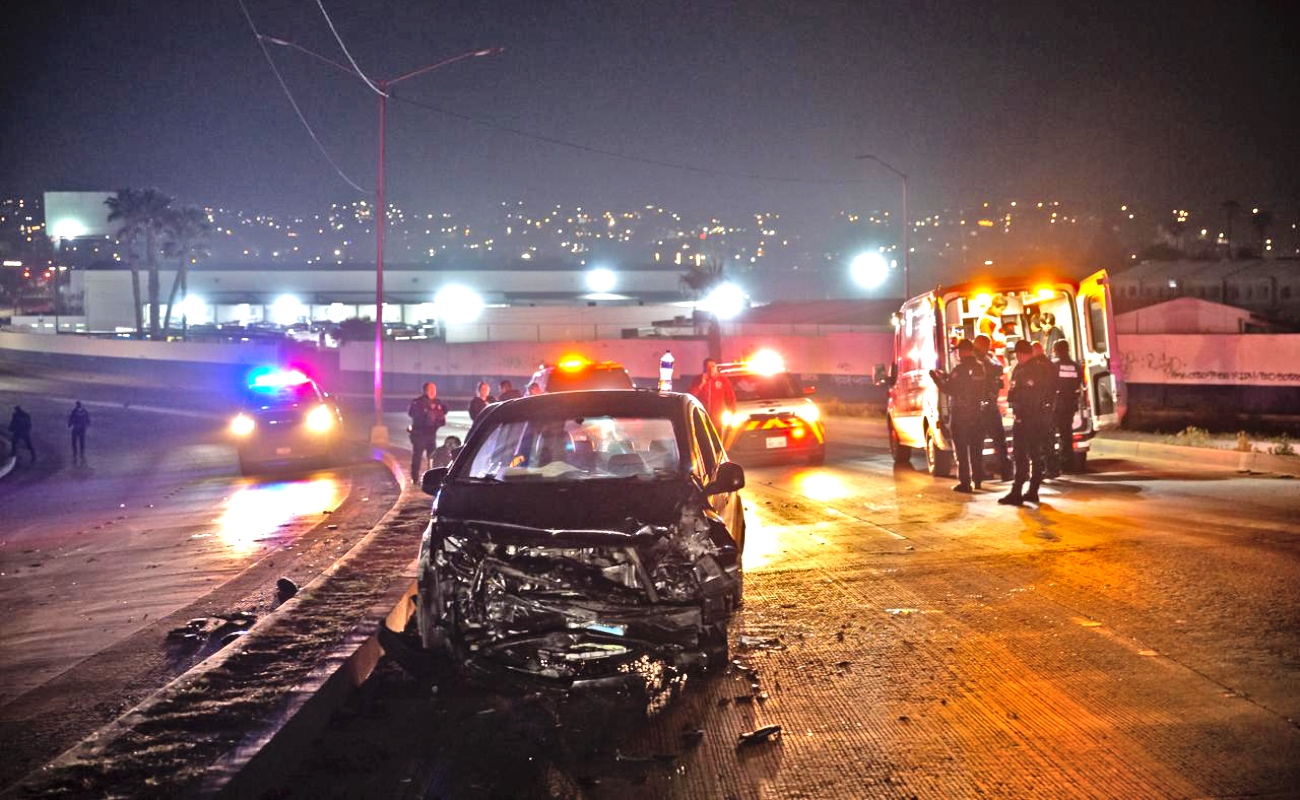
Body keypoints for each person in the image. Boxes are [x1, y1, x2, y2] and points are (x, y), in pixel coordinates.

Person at [999, 340, 1056, 506]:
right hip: (1038, 419)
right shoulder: (1042, 367)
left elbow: (1026, 397)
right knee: (1035, 456)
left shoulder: (1027, 370)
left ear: (1020, 354)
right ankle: (1032, 490)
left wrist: (1021, 415)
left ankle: (1018, 492)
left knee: (1022, 456)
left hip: (1027, 419)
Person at [930, 339, 988, 492]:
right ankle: (978, 480)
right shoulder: (980, 367)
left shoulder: (960, 369)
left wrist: (936, 379)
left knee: (962, 450)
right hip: (977, 413)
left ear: (963, 351)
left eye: (959, 351)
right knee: (976, 449)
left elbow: (949, 389)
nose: (958, 354)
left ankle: (965, 483)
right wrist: (948, 376)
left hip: (961, 414)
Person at [972, 334, 1013, 480]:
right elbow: (995, 368)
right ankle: (982, 473)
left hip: (987, 404)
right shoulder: (976, 359)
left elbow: (998, 369)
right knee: (981, 442)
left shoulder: (988, 357)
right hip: (981, 406)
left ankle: (1001, 471)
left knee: (988, 441)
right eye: (986, 345)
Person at [1050, 340, 1085, 475]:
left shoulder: (1054, 365)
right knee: (1066, 435)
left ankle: (1052, 464)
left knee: (1051, 435)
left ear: (1056, 350)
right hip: (1070, 405)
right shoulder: (1075, 366)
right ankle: (1067, 464)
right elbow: (1078, 383)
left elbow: (1049, 384)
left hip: (1056, 405)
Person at [408, 382, 448, 481]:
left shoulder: (438, 402)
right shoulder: (418, 402)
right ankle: (415, 477)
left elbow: (444, 412)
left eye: (434, 389)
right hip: (419, 434)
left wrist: (437, 414)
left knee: (432, 457)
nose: (433, 392)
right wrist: (427, 413)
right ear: (425, 390)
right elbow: (412, 413)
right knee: (417, 456)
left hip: (431, 434)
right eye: (431, 389)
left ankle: (431, 478)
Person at [689, 357, 736, 431]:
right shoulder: (698, 380)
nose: (711, 369)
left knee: (718, 440)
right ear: (704, 369)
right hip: (702, 417)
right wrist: (701, 383)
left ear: (716, 367)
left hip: (718, 419)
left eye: (713, 366)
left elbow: (730, 398)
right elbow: (691, 396)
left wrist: (732, 414)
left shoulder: (723, 380)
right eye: (708, 367)